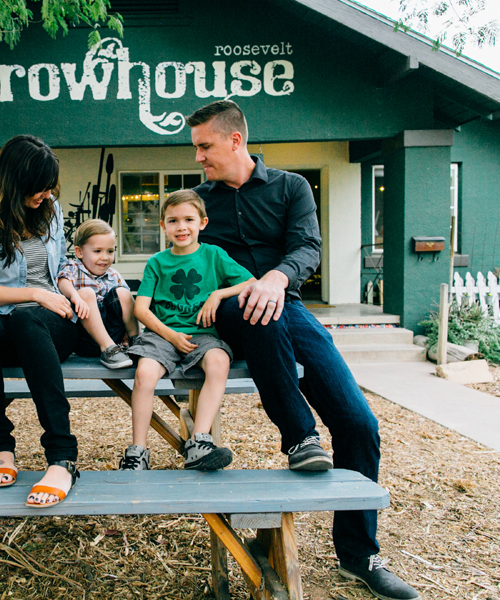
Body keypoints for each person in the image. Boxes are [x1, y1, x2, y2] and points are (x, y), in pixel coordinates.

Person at [186, 100, 419, 600]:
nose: (199, 157)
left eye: (205, 146)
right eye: (196, 149)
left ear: (234, 140)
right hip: (225, 310)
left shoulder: (290, 187)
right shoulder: (198, 201)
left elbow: (307, 247)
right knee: (252, 305)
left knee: (360, 425)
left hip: (286, 304)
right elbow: (177, 252)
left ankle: (359, 557)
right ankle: (299, 438)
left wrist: (275, 278)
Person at [0, 135, 80, 508]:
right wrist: (34, 294)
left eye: (48, 187)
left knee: (27, 321)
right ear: (13, 182)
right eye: (37, 187)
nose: (45, 194)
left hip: (48, 323)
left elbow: (56, 273)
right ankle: (0, 448)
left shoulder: (49, 209)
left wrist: (66, 293)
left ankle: (62, 457)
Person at [122, 190, 255, 471]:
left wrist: (217, 295)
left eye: (188, 220)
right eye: (173, 221)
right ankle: (138, 452)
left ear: (202, 223)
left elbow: (250, 282)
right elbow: (141, 309)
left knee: (219, 362)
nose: (181, 227)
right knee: (145, 374)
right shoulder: (157, 262)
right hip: (162, 335)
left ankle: (199, 442)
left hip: (203, 335)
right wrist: (170, 335)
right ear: (163, 226)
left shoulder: (214, 255)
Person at [57, 219, 139, 369]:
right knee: (86, 293)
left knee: (123, 292)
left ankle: (137, 342)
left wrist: (127, 333)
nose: (105, 257)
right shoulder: (73, 267)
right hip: (85, 337)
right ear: (79, 252)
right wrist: (74, 295)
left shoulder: (113, 274)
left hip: (114, 335)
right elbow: (62, 281)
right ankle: (107, 348)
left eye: (110, 251)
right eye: (97, 251)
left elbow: (126, 305)